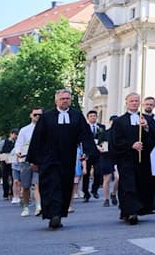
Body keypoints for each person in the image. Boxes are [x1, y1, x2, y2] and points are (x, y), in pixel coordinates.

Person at [26, 89, 100, 229]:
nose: (65, 101)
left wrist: (87, 152)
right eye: (62, 99)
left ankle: (59, 214)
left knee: (65, 186)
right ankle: (53, 215)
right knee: (51, 185)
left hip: (68, 158)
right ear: (56, 101)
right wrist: (34, 160)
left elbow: (85, 136)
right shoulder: (47, 117)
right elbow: (37, 140)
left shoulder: (77, 116)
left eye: (67, 98)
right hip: (49, 159)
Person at [110, 92, 155, 224]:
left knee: (141, 183)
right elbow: (115, 140)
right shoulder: (119, 121)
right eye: (132, 101)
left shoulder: (145, 119)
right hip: (126, 158)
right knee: (128, 184)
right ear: (126, 102)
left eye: (137, 101)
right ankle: (130, 212)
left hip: (142, 159)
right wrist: (131, 145)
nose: (134, 103)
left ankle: (137, 209)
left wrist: (147, 127)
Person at [14, 107, 43, 217]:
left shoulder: (46, 129)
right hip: (26, 161)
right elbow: (18, 144)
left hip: (39, 161)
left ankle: (38, 206)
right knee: (26, 186)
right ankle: (26, 207)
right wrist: (18, 152)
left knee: (37, 184)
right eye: (35, 114)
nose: (37, 117)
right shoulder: (24, 130)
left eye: (40, 115)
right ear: (31, 115)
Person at [81, 110, 105, 201]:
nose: (93, 117)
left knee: (98, 172)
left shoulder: (101, 127)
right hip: (88, 152)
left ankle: (94, 189)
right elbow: (83, 140)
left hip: (98, 153)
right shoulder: (85, 127)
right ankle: (86, 193)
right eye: (91, 116)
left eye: (94, 116)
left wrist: (103, 147)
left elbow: (104, 138)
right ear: (88, 118)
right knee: (86, 174)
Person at [98, 115, 118, 207]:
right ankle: (106, 199)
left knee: (118, 178)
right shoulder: (105, 133)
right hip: (106, 157)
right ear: (110, 122)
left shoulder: (121, 134)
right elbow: (98, 144)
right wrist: (100, 148)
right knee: (107, 179)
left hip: (117, 157)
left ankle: (113, 193)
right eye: (113, 121)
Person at [0, 129, 16, 201]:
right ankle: (5, 193)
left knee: (13, 178)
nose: (15, 136)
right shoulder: (4, 141)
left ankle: (12, 193)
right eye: (14, 134)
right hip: (4, 160)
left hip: (13, 161)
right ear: (11, 134)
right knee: (5, 177)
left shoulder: (16, 142)